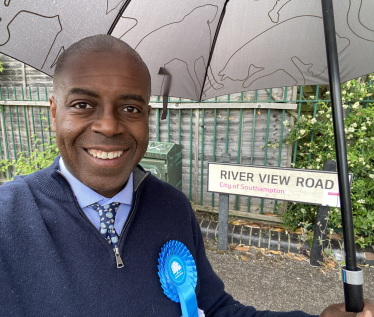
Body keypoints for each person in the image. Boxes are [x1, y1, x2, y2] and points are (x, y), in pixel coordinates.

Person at [0, 34, 372, 317]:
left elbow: (216, 310)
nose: (110, 126)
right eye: (83, 105)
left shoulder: (172, 207)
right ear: (53, 111)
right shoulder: (8, 220)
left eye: (130, 107)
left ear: (147, 115)